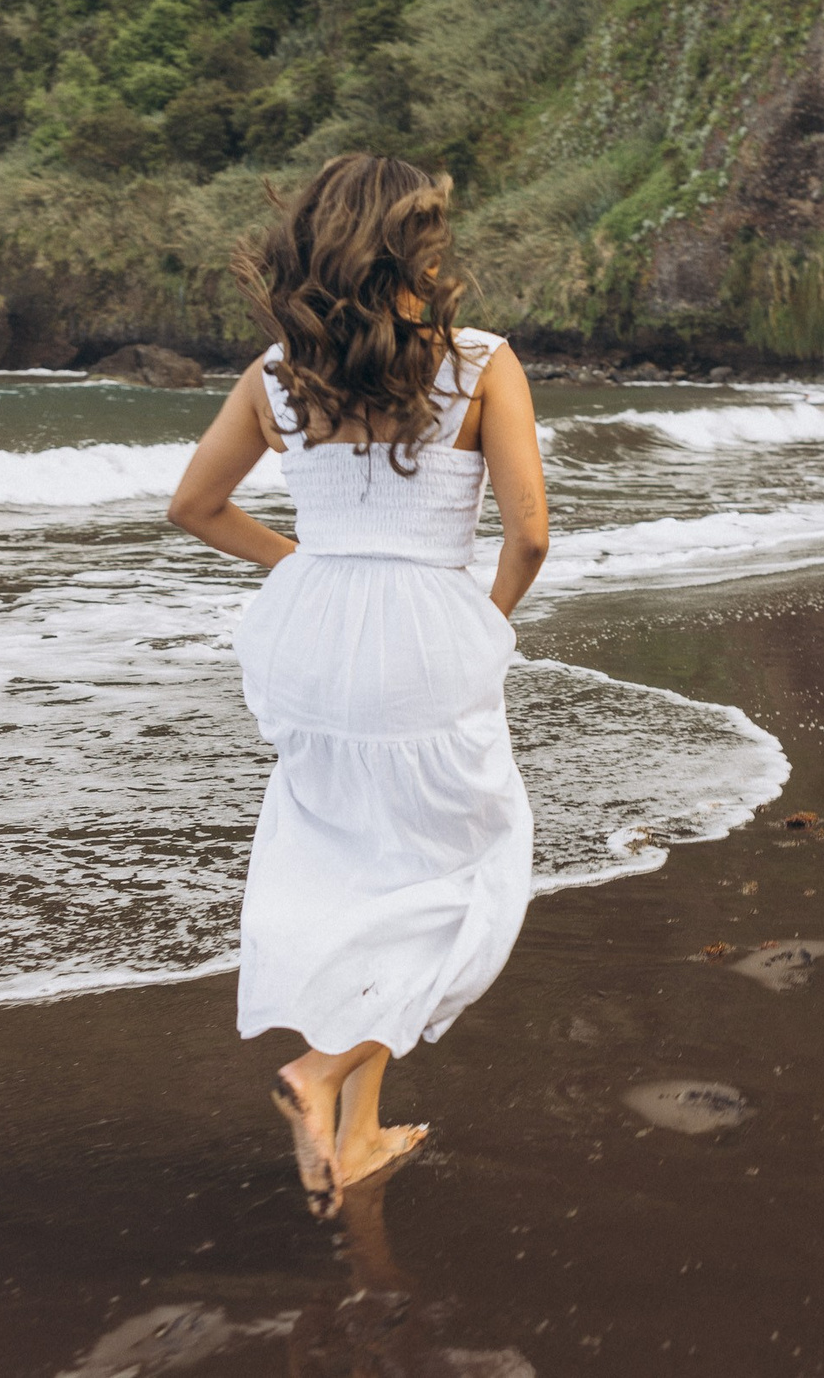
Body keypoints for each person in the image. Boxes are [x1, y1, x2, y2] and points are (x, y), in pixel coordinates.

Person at [168, 152, 551, 1209]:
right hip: (427, 628)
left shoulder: (279, 372)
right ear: (415, 243)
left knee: (357, 865)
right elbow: (527, 535)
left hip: (311, 634)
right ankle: (321, 1071)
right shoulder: (480, 363)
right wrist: (482, 620)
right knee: (471, 867)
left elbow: (193, 509)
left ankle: (358, 1135)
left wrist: (302, 567)